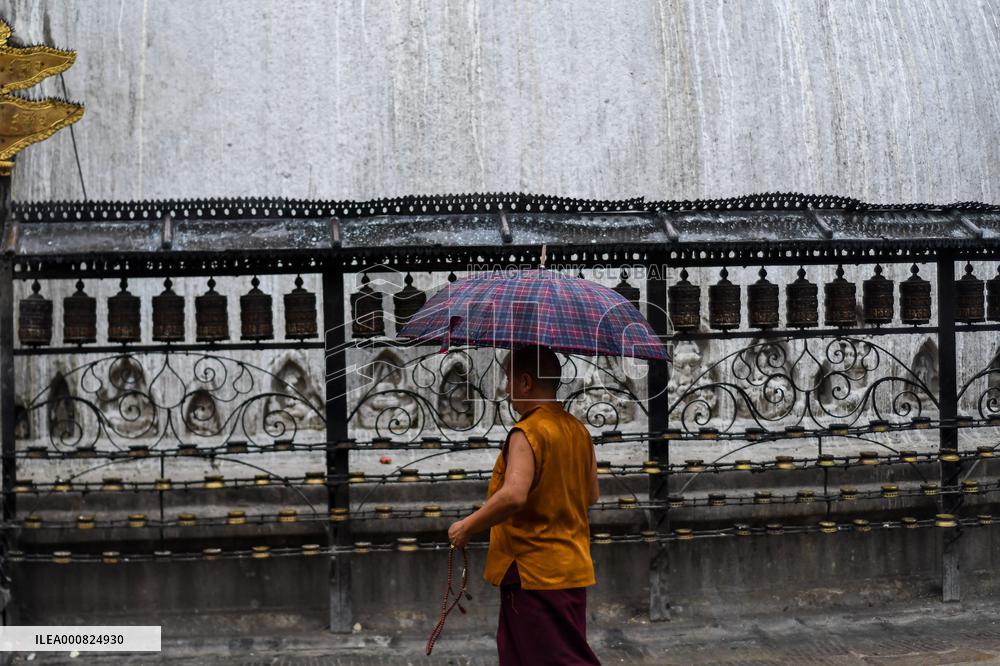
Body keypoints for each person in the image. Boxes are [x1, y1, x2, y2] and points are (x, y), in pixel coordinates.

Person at [448, 344, 601, 665]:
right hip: (571, 565)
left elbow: (514, 495)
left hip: (535, 570)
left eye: (508, 379)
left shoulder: (527, 432)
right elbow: (590, 496)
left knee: (559, 659)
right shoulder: (577, 430)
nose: (506, 390)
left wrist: (466, 527)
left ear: (526, 382)